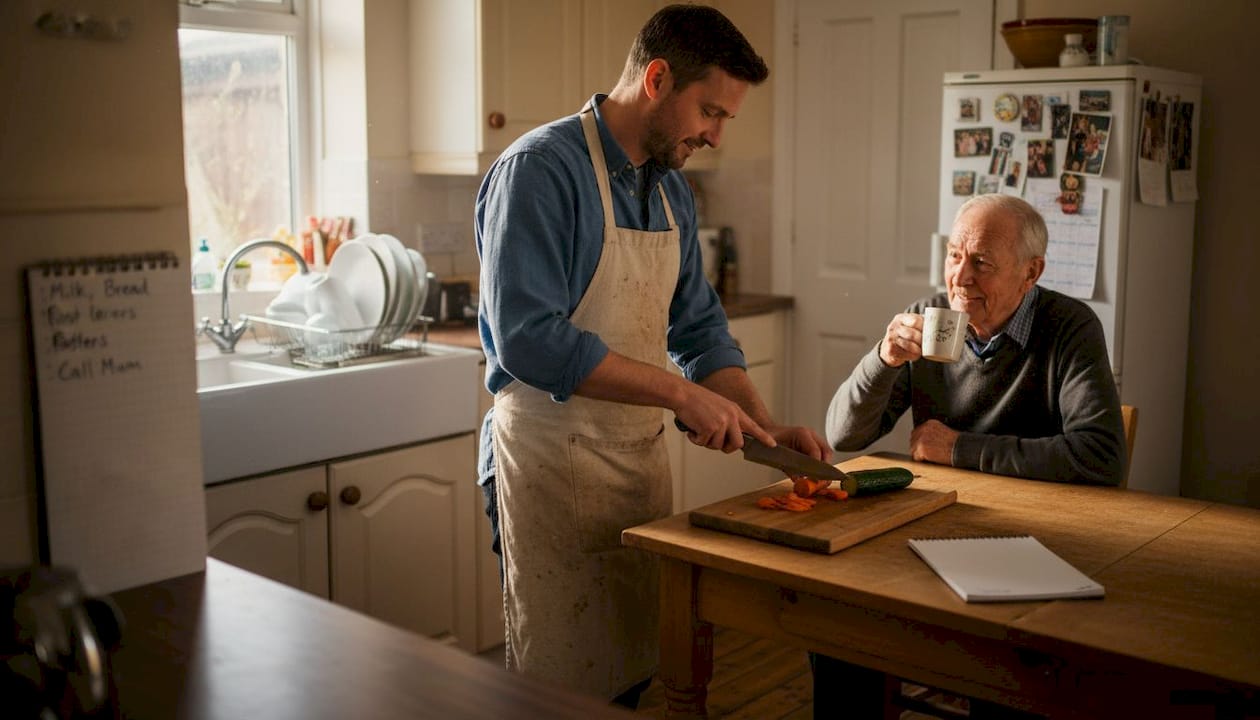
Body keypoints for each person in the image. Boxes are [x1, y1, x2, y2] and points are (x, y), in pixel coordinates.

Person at [473, 4, 829, 709]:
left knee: (633, 675)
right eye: (711, 112)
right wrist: (678, 395)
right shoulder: (541, 170)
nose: (717, 136)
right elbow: (528, 337)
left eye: (726, 119)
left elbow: (698, 329)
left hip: (633, 469)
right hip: (545, 466)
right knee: (560, 689)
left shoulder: (671, 189)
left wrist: (762, 427)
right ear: (658, 78)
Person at [813, 193, 1125, 719]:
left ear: (1032, 273)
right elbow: (843, 433)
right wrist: (883, 359)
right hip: (936, 523)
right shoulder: (926, 317)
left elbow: (1101, 457)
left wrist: (960, 448)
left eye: (981, 262)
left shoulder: (1070, 328)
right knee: (838, 617)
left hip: (1035, 540)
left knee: (1007, 666)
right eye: (954, 255)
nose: (960, 277)